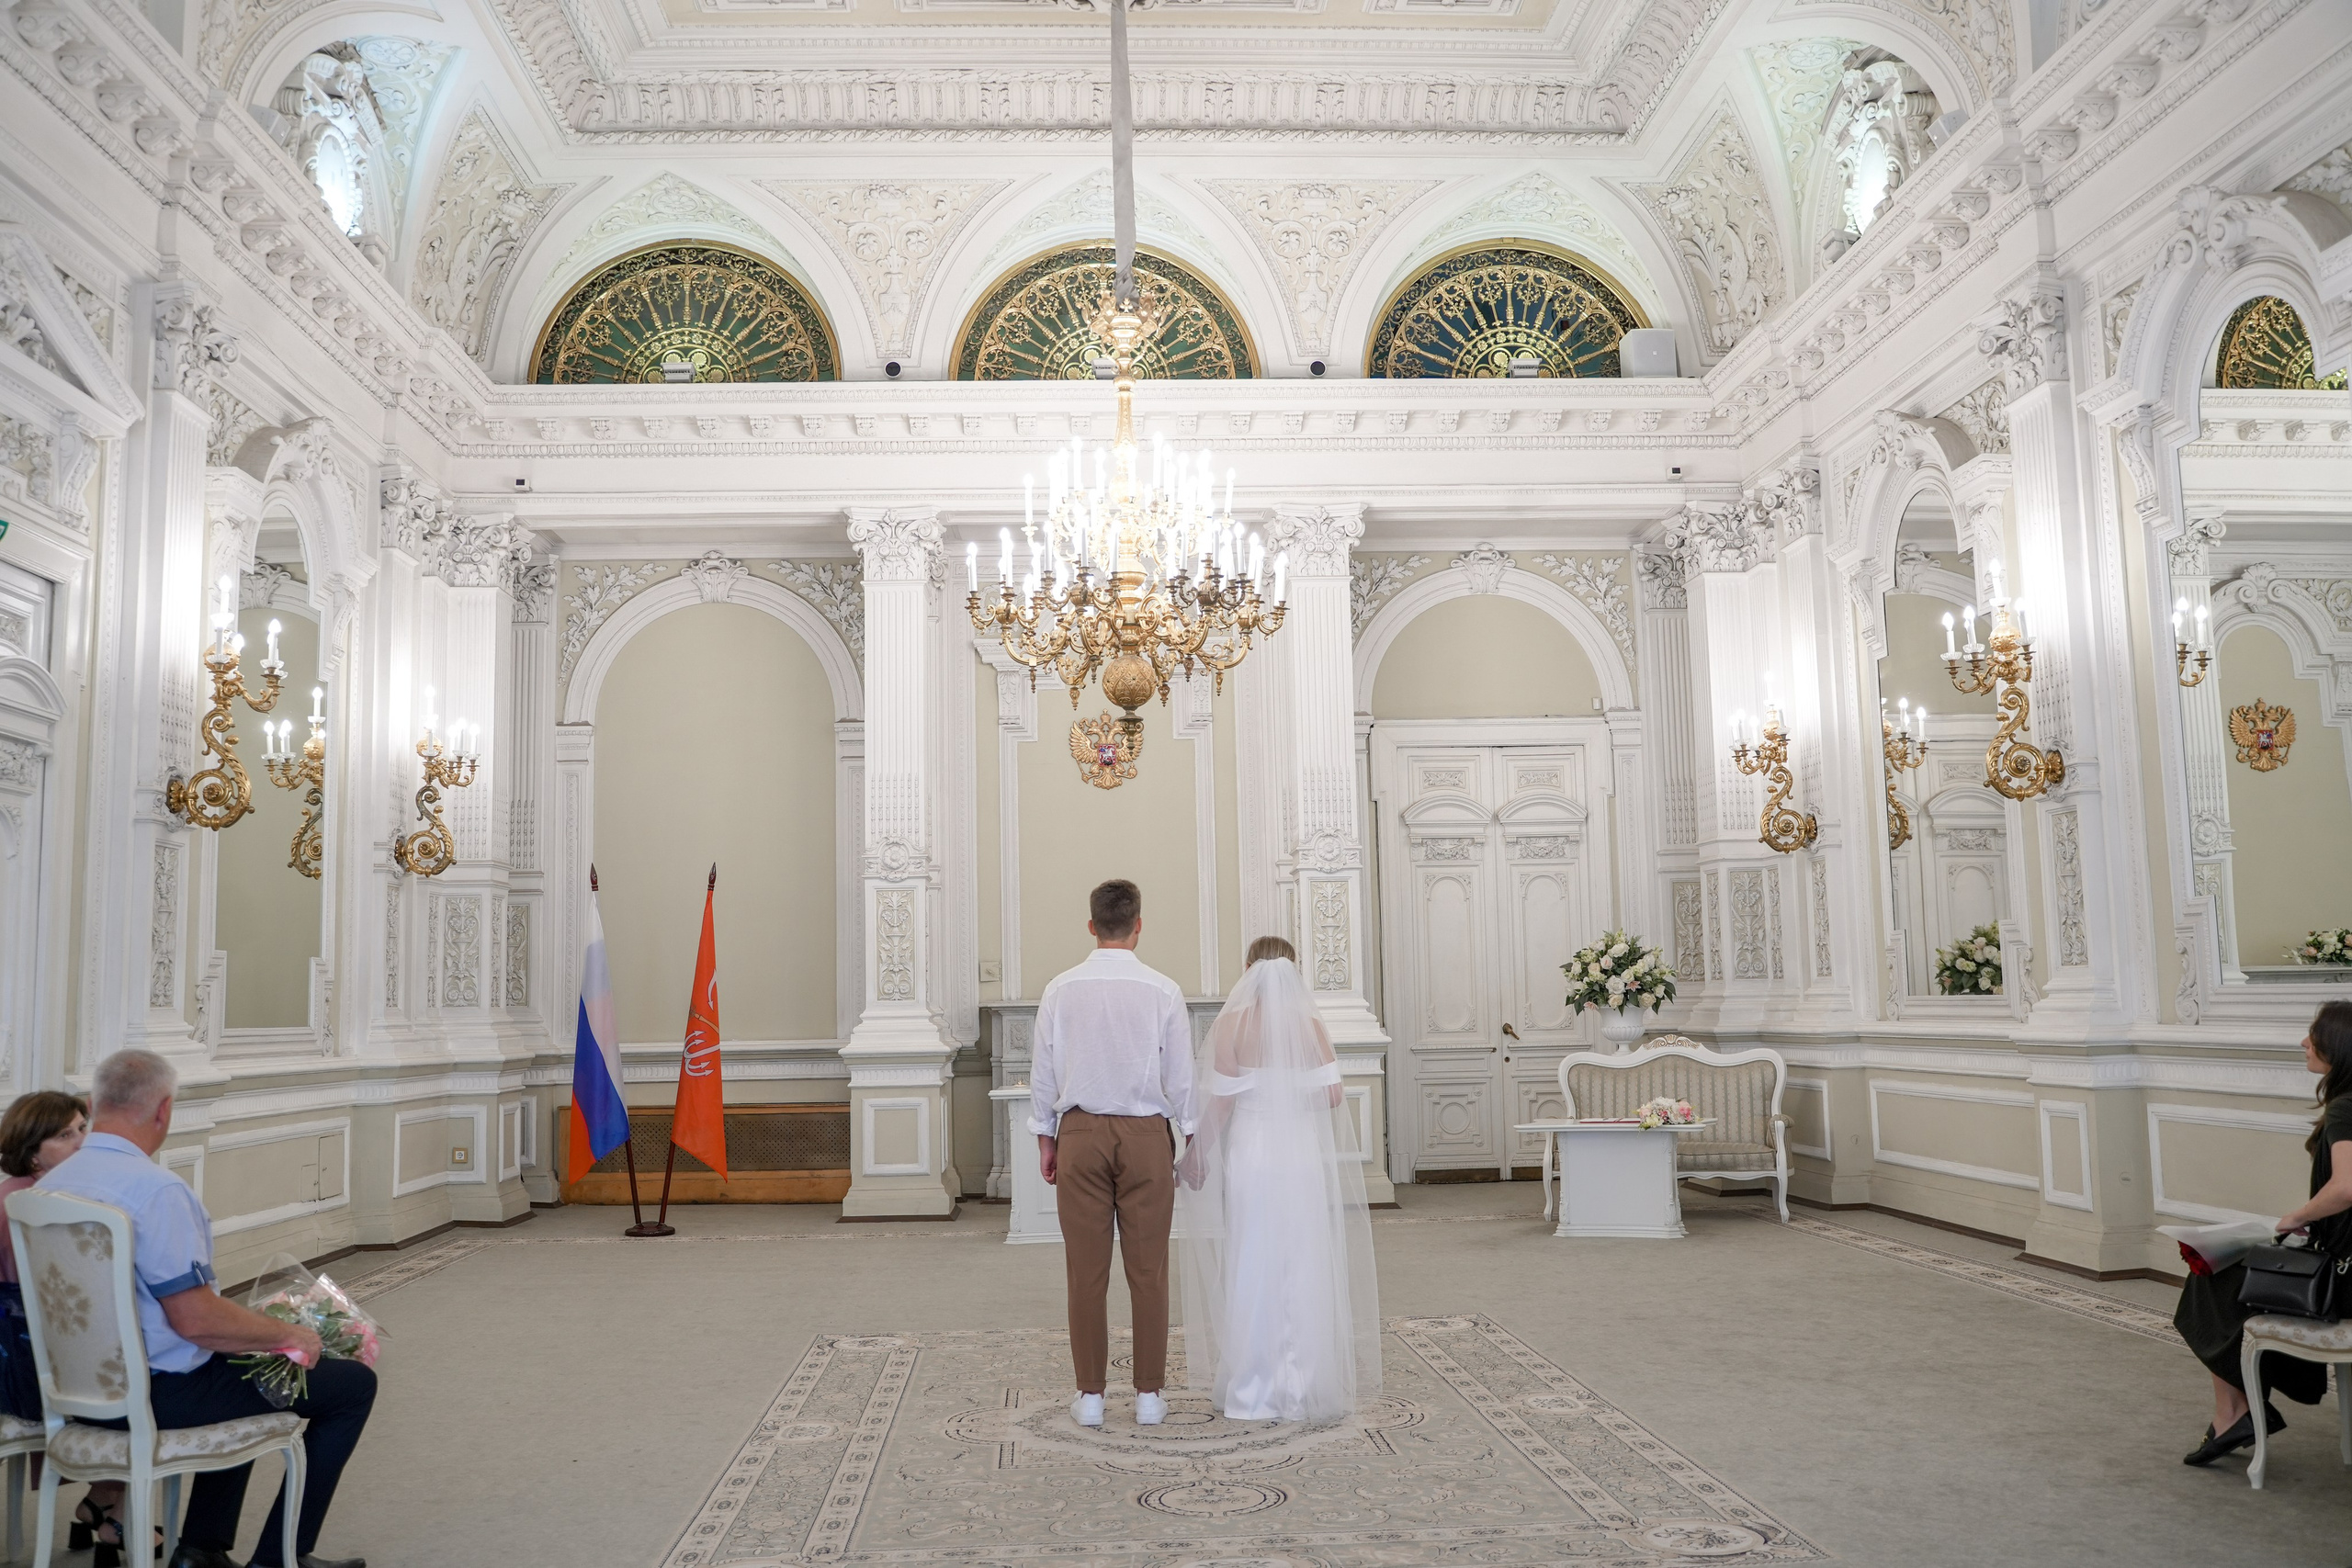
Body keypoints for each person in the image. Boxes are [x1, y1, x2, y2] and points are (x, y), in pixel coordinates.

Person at [37, 1050, 374, 1568]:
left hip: (76, 1395)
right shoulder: (156, 1191)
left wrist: (256, 1337)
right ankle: (280, 1557)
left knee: (244, 1364)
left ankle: (202, 1550)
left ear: (92, 1103)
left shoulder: (50, 1186)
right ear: (164, 1110)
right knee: (351, 1386)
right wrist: (290, 1335)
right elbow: (196, 1322)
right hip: (158, 1396)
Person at [1176, 936, 1380, 1423]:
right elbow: (1333, 1095)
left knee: (1253, 1254)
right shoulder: (1309, 1024)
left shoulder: (1231, 1024)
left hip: (1254, 1153)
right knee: (1303, 1256)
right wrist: (1289, 1098)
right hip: (1300, 1153)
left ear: (1248, 969)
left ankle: (1254, 1386)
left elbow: (1222, 1102)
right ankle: (1305, 1384)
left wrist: (1194, 1156)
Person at [1030, 878, 1195, 1429]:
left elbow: (1043, 1072)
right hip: (1146, 1135)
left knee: (1086, 1272)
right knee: (1149, 1271)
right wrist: (1190, 1136)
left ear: (1091, 925)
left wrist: (1046, 1137)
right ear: (1139, 925)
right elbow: (1181, 1075)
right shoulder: (1163, 990)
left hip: (1079, 1133)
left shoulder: (1060, 989)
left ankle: (1091, 1397)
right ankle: (1149, 1395)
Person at [2177, 1000, 2352, 1466]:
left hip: (2345, 1277)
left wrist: (2294, 1217)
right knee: (2233, 1274)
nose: (2304, 1042)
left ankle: (2232, 1415)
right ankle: (2238, 1411)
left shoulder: (2345, 1109)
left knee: (2209, 1272)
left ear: (2338, 1046)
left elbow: (2347, 1187)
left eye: (2313, 1034)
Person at [0, 1091, 142, 1564]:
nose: (82, 1141)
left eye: (84, 1128)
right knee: (139, 1374)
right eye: (65, 1134)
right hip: (22, 1362)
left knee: (116, 1357)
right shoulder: (38, 1204)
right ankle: (116, 1513)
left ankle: (101, 1503)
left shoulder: (29, 1193)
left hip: (32, 1349)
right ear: (32, 1152)